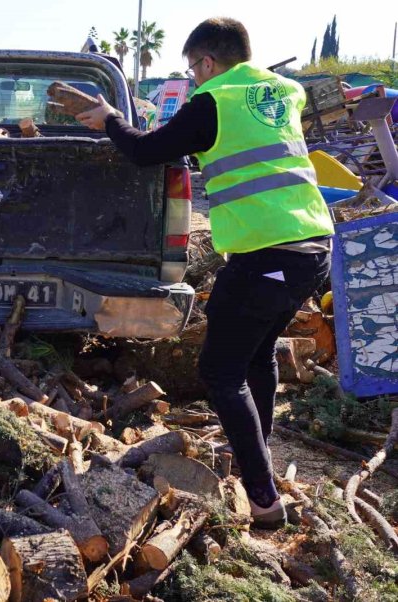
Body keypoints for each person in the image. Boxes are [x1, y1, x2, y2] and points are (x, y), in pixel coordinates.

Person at [76, 17, 334, 528]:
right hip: (313, 248)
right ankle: (256, 458)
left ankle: (262, 498)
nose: (193, 78)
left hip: (268, 254)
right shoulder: (284, 91)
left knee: (220, 371)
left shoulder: (214, 99)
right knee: (257, 353)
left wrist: (108, 117)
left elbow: (146, 151)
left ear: (208, 62)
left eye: (194, 68)